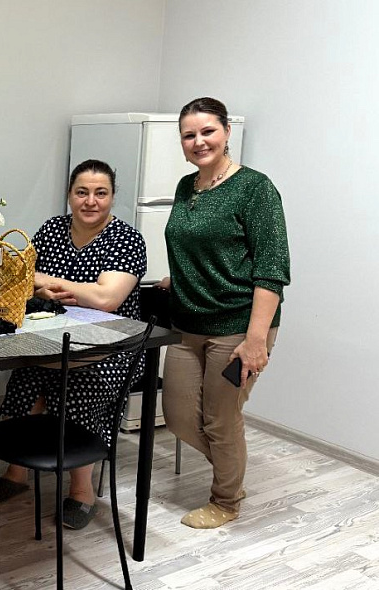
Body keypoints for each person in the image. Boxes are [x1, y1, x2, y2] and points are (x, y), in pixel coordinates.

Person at [159, 97, 291, 529]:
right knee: (179, 417)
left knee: (221, 420)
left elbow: (271, 270)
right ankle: (232, 471)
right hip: (187, 324)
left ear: (227, 131)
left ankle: (226, 500)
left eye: (207, 131)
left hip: (239, 326)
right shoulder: (186, 187)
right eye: (189, 135)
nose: (198, 141)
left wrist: (256, 341)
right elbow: (197, 245)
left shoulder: (255, 189)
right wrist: (180, 277)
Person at [0, 159, 147, 530]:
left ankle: (82, 491)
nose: (90, 201)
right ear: (69, 195)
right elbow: (22, 278)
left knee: (77, 382)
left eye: (100, 193)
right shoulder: (52, 229)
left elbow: (108, 299)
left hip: (111, 349)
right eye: (82, 192)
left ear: (112, 197)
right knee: (26, 374)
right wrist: (50, 290)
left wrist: (52, 283)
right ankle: (17, 471)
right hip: (53, 337)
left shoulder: (126, 239)